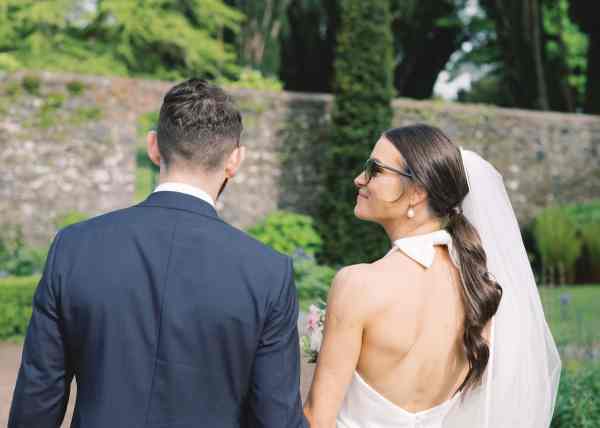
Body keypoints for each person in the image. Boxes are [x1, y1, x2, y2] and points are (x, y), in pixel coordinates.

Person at [9, 78, 307, 428]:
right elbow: (276, 418)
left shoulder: (74, 247)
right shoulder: (268, 273)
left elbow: (37, 401)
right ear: (235, 161)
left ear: (153, 146)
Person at [304, 124, 561, 428]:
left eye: (375, 169)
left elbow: (318, 419)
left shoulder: (358, 284)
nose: (359, 179)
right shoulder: (480, 290)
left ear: (417, 192)